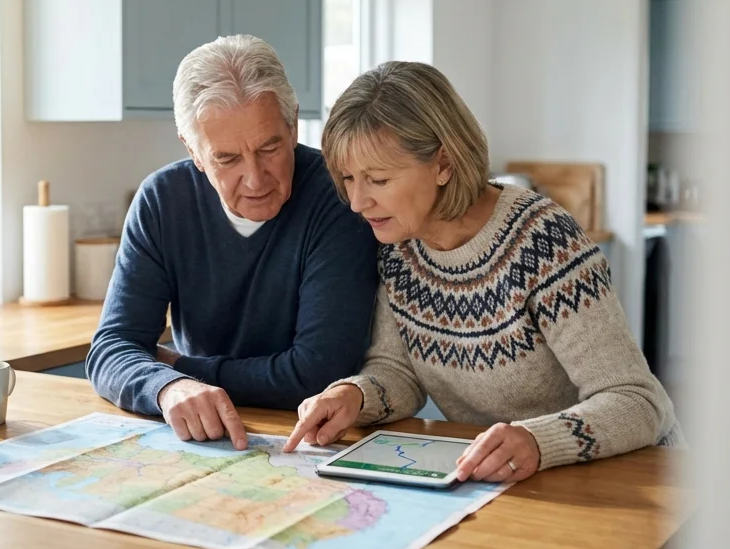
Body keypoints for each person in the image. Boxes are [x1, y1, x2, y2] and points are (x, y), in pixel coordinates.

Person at [284, 61, 683, 481]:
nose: (357, 201)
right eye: (348, 178)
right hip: (519, 480)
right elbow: (398, 373)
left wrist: (535, 441)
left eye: (378, 180)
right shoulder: (399, 246)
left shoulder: (542, 241)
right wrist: (353, 396)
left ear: (444, 163)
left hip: (634, 478)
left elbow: (637, 400)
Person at [87, 35, 378, 449]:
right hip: (204, 437)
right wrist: (169, 388)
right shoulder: (161, 200)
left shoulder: (337, 196)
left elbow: (317, 372)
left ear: (293, 124)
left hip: (317, 438)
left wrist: (183, 368)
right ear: (193, 150)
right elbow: (111, 349)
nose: (256, 179)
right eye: (227, 159)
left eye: (270, 147)